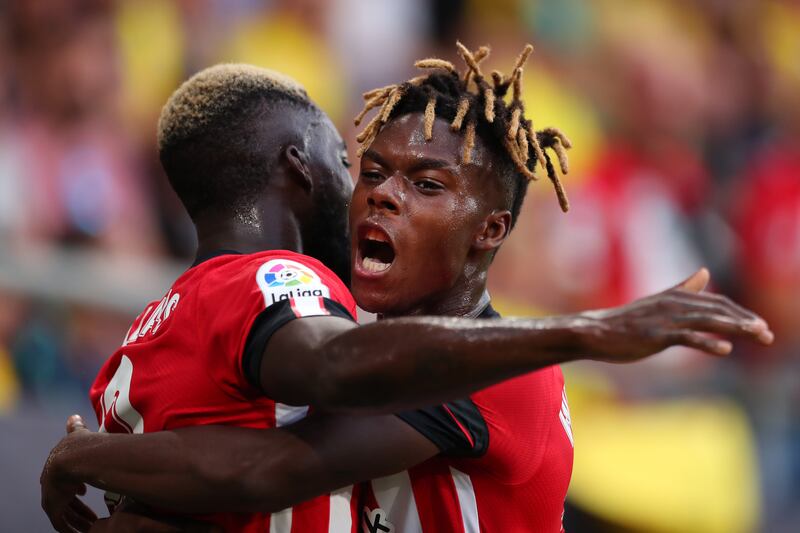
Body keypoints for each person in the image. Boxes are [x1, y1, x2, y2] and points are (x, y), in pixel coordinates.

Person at [41, 50, 772, 533]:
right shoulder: (353, 335)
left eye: (426, 184)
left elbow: (268, 469)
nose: (382, 195)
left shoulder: (491, 375)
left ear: (489, 230)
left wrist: (86, 458)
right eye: (372, 171)